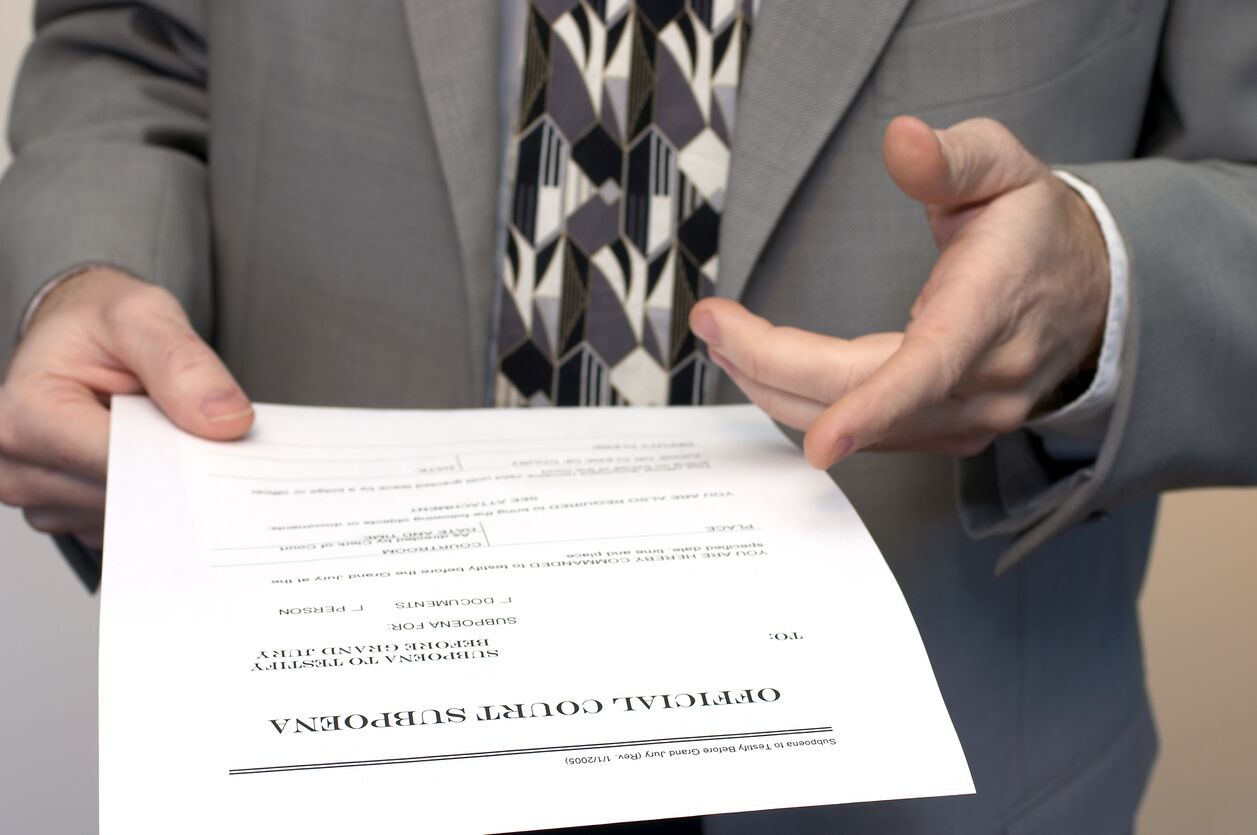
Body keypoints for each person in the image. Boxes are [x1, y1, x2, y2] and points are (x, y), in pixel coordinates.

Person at [0, 1, 1254, 832]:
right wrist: (84, 270)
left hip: (947, 778)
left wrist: (1101, 284)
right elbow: (126, 43)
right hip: (314, 756)